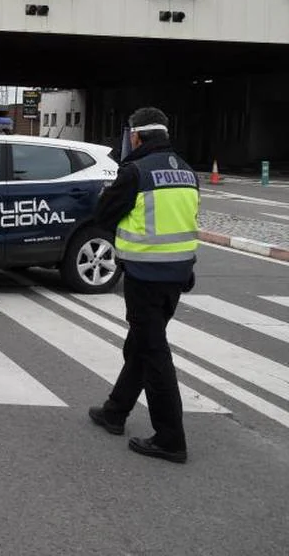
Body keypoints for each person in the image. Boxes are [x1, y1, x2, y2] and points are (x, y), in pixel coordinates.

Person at [88, 106, 199, 464]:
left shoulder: (135, 172)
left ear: (137, 136)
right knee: (141, 345)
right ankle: (115, 411)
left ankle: (170, 438)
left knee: (153, 353)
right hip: (177, 276)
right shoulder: (186, 171)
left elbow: (103, 217)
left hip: (145, 276)